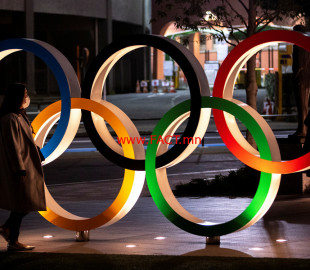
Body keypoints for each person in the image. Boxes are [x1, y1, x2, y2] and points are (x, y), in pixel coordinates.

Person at [0, 83, 46, 251]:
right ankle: (13, 240)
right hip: (21, 168)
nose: (27, 97)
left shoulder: (20, 116)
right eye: (25, 94)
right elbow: (13, 146)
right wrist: (19, 169)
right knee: (24, 203)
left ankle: (8, 230)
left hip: (27, 165)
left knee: (26, 202)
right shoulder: (11, 118)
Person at [291, 24, 310, 138]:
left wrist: (297, 76)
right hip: (305, 78)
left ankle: (302, 129)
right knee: (304, 105)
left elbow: (299, 64)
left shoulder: (299, 45)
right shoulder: (306, 43)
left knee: (302, 104)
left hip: (301, 79)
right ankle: (303, 128)